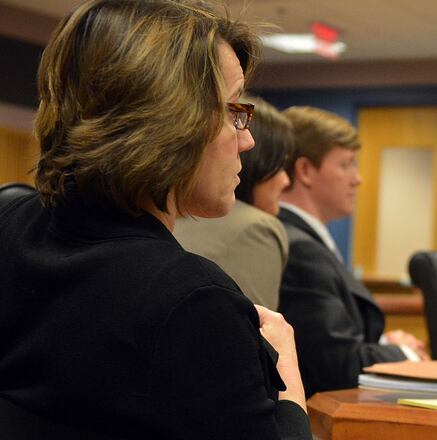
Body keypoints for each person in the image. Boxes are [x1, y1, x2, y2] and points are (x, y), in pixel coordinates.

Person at [0, 1, 311, 438]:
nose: (247, 140)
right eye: (232, 112)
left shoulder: (10, 219)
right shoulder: (194, 301)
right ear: (168, 121)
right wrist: (289, 389)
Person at [278, 106, 429, 396]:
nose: (357, 178)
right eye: (346, 164)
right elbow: (337, 366)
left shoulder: (305, 240)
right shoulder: (300, 250)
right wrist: (404, 352)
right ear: (306, 170)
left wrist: (384, 345)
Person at [175, 96, 293, 310]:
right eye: (279, 164)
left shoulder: (176, 214)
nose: (286, 180)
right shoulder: (256, 228)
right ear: (256, 162)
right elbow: (254, 338)